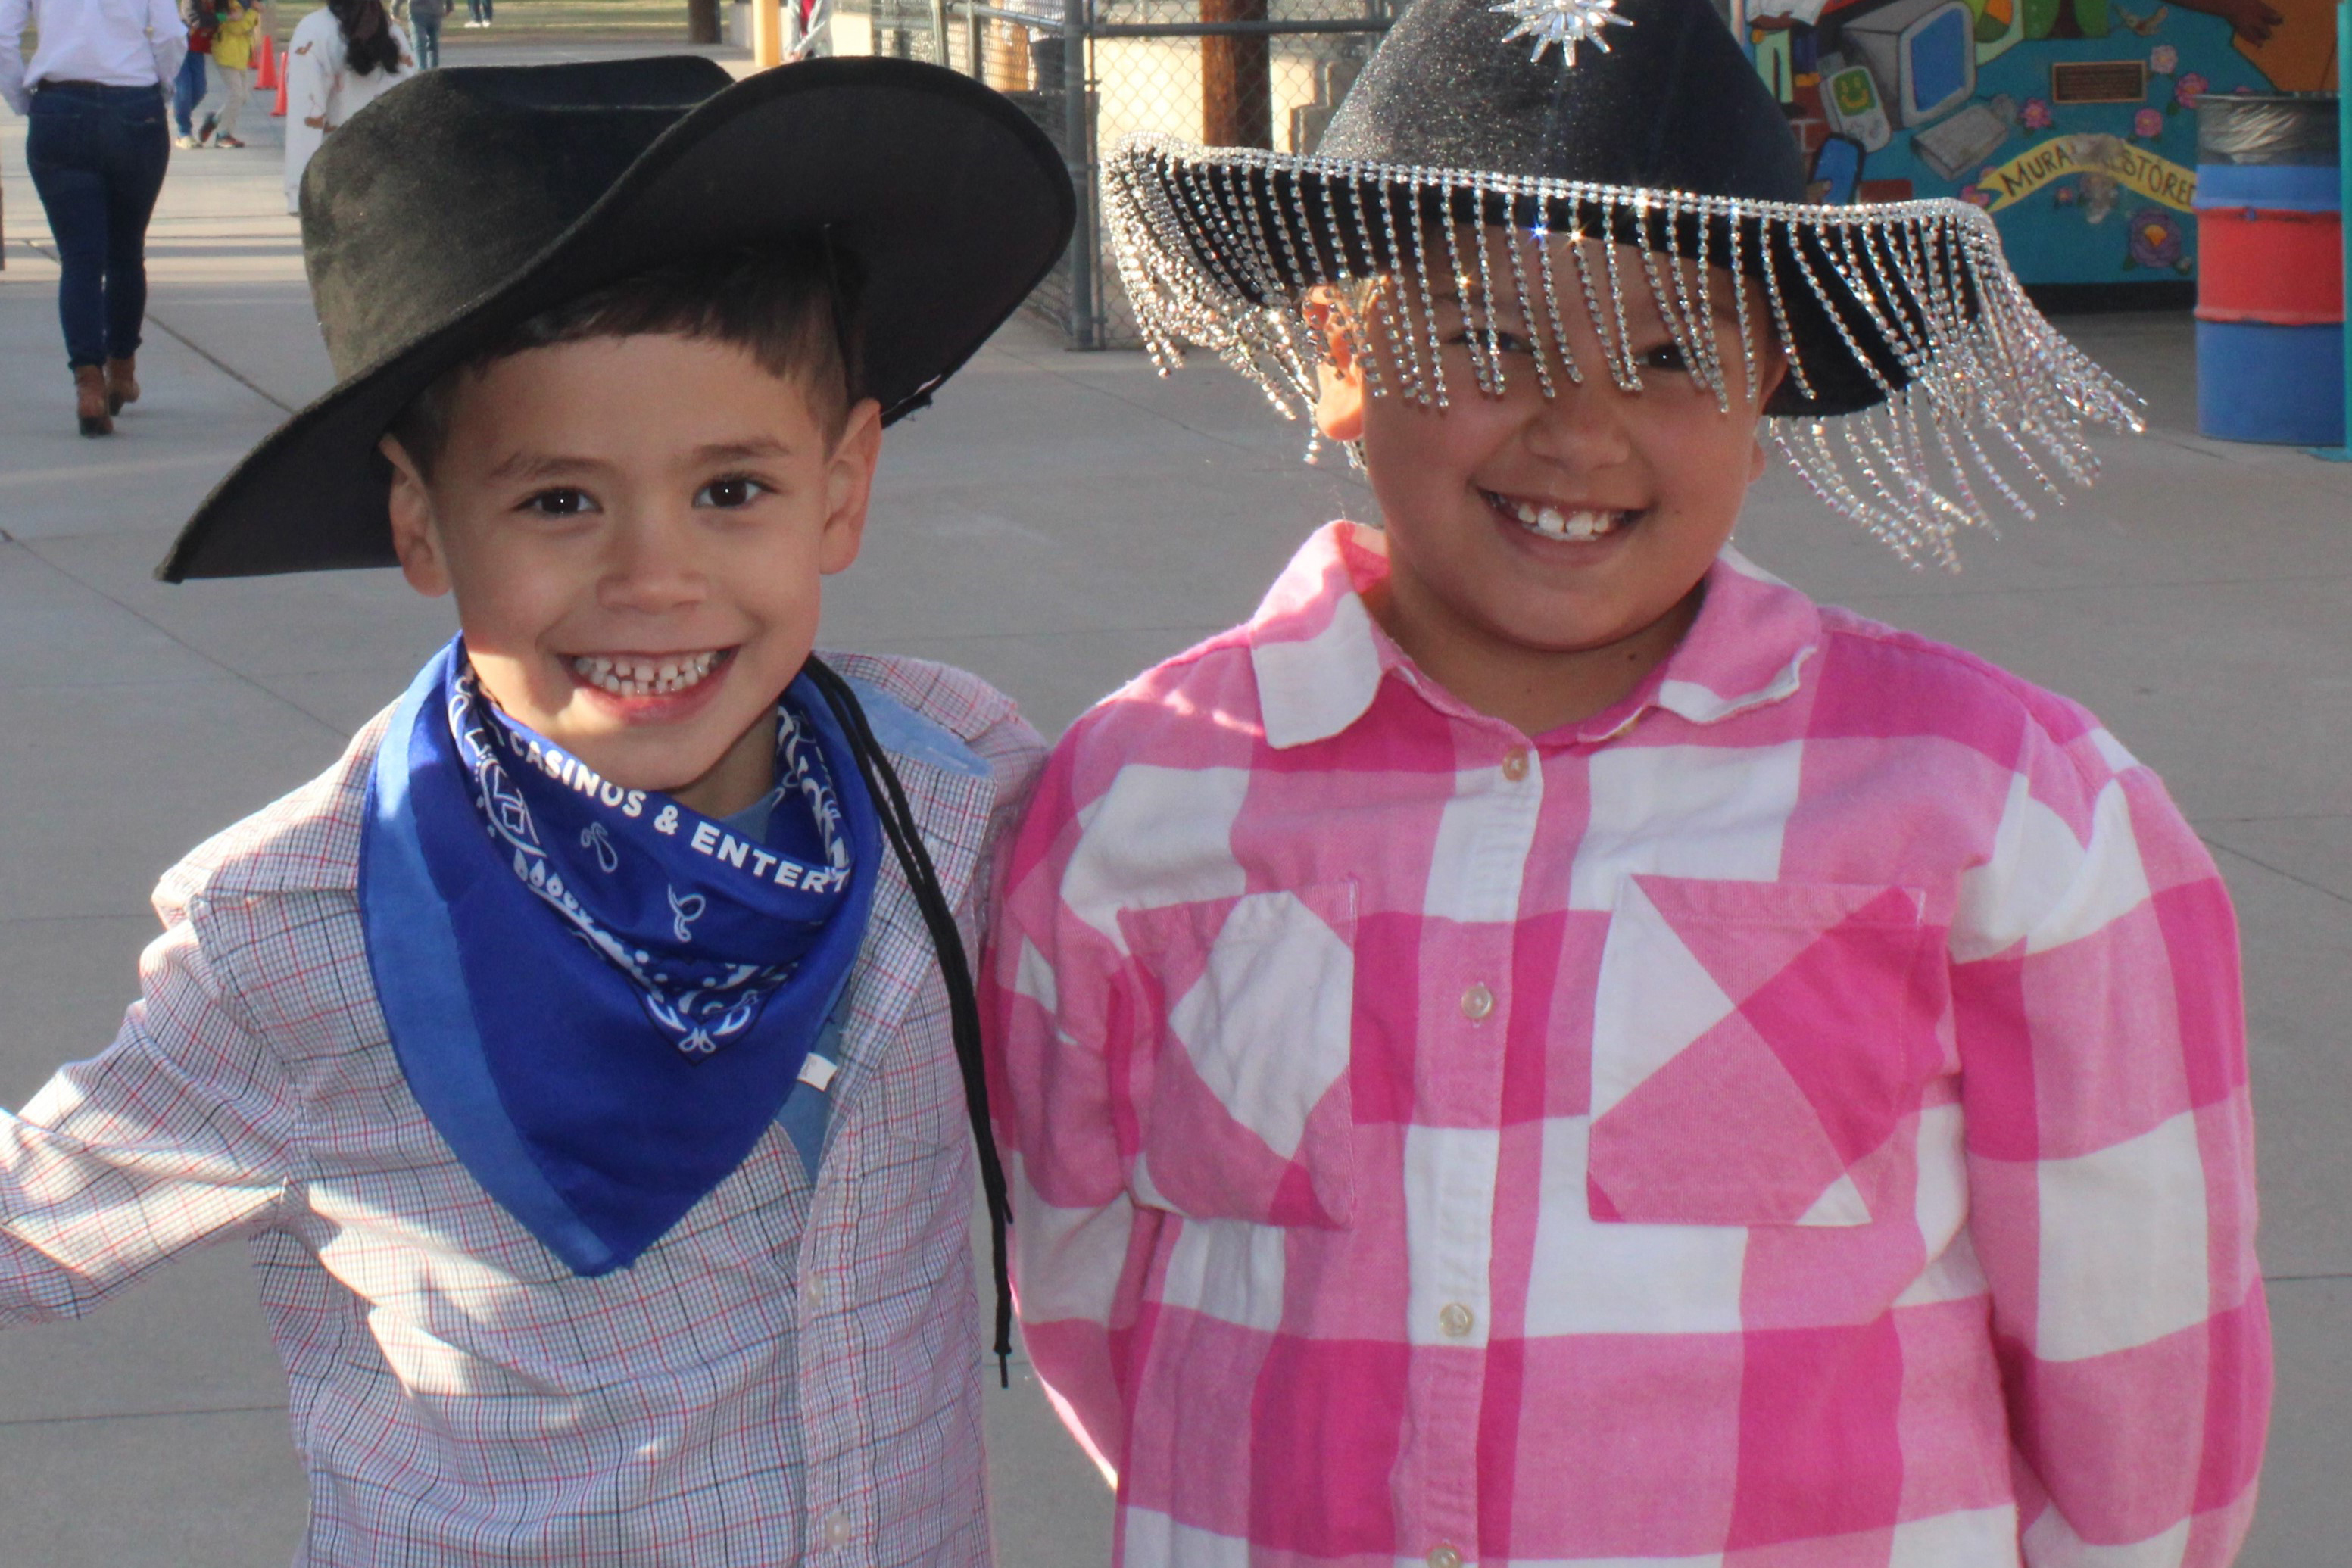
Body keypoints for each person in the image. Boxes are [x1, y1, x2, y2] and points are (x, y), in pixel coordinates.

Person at [985, 0, 2272, 1563]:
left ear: (1768, 392)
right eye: (1483, 342)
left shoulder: (2001, 808)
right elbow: (1090, 1288)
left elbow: (2136, 1355)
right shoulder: (1147, 792)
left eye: (1669, 355)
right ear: (1334, 352)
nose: (1574, 425)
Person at [1, 56, 1075, 1564]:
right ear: (419, 519)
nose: (654, 575)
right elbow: (36, 1216)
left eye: (732, 491)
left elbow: (1195, 1006)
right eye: (559, 500)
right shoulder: (302, 938)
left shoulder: (955, 793)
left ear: (841, 487)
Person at [0, 0, 182, 434]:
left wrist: (22, 98)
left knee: (80, 260)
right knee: (126, 251)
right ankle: (122, 368)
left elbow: (3, 39)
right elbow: (172, 33)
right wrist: (163, 86)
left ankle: (88, 384)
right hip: (133, 105)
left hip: (60, 105)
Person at [282, 0, 411, 214]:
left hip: (337, 190)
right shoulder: (392, 33)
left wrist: (299, 194)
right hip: (392, 184)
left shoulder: (313, 31)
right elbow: (412, 107)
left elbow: (304, 120)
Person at [199, 0, 261, 147]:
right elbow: (237, 28)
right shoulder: (229, 3)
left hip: (240, 54)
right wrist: (254, 11)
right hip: (226, 54)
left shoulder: (245, 4)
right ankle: (223, 135)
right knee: (236, 95)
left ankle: (214, 120)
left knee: (243, 97)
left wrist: (254, 10)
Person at [170, 0, 210, 147]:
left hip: (197, 43)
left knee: (200, 89)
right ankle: (184, 132)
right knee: (184, 89)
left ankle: (180, 113)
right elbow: (194, 18)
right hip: (180, 40)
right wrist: (222, 18)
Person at [408, 0, 447, 69]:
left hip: (417, 12)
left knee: (420, 44)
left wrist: (395, 9)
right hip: (436, 12)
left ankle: (421, 71)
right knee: (434, 45)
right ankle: (434, 71)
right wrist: (449, 6)